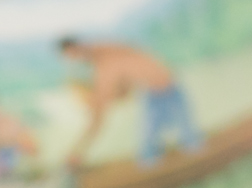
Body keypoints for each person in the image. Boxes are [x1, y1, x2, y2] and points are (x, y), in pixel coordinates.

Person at [57, 37, 200, 168]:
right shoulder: (106, 60)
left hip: (168, 91)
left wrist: (77, 151)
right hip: (157, 94)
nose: (75, 60)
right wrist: (77, 151)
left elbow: (99, 115)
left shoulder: (106, 58)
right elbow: (109, 104)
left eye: (74, 56)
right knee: (151, 152)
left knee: (186, 143)